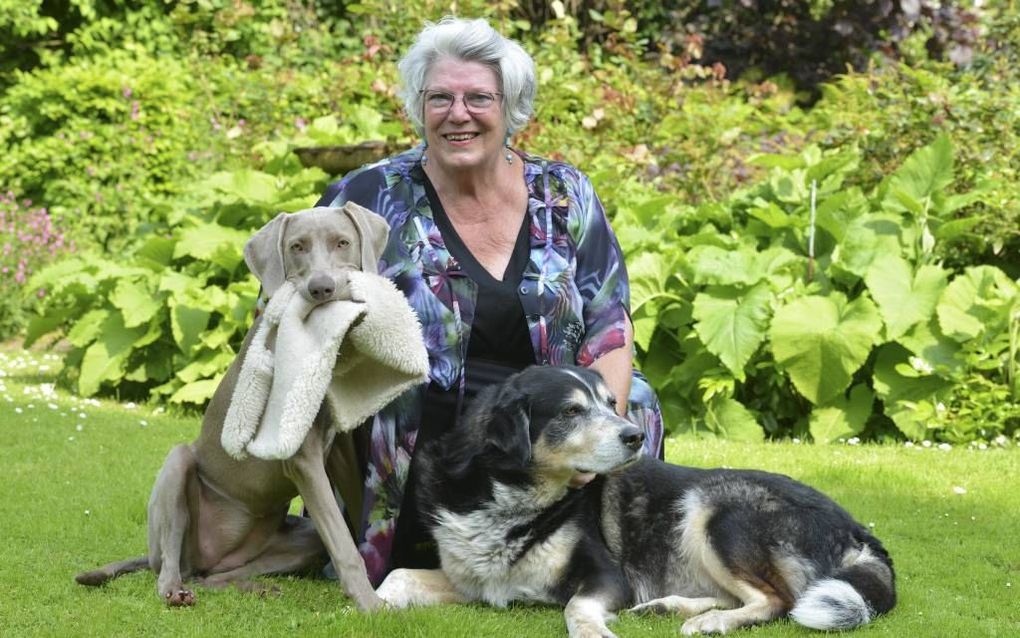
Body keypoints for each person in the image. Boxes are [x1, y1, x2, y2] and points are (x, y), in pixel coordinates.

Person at [315, 16, 663, 586]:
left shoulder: (565, 193)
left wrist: (600, 428)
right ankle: (407, 549)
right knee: (390, 418)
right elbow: (298, 299)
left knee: (637, 400)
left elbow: (609, 324)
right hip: (420, 421)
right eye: (440, 98)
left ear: (511, 107)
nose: (458, 114)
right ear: (418, 106)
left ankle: (599, 552)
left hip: (545, 421)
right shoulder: (369, 195)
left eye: (478, 97)